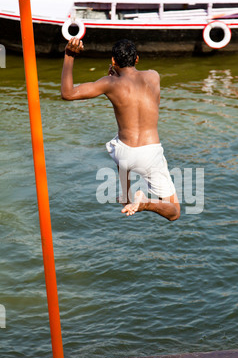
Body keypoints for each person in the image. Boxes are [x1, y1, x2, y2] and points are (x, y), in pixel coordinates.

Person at [61, 37, 180, 221]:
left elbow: (67, 94)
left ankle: (126, 195)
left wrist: (69, 55)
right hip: (150, 153)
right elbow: (153, 104)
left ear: (113, 61)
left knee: (117, 144)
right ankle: (145, 203)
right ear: (137, 59)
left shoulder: (109, 83)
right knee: (174, 212)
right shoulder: (153, 76)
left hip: (124, 154)